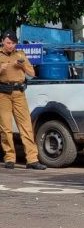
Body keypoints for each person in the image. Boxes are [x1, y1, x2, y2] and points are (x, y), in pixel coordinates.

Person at [0, 30, 46, 170]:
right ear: (2, 41)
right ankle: (10, 158)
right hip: (3, 94)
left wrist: (23, 66)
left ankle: (32, 159)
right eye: (8, 43)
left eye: (13, 43)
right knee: (5, 128)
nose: (11, 46)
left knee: (26, 126)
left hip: (19, 93)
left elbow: (32, 73)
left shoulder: (20, 55)